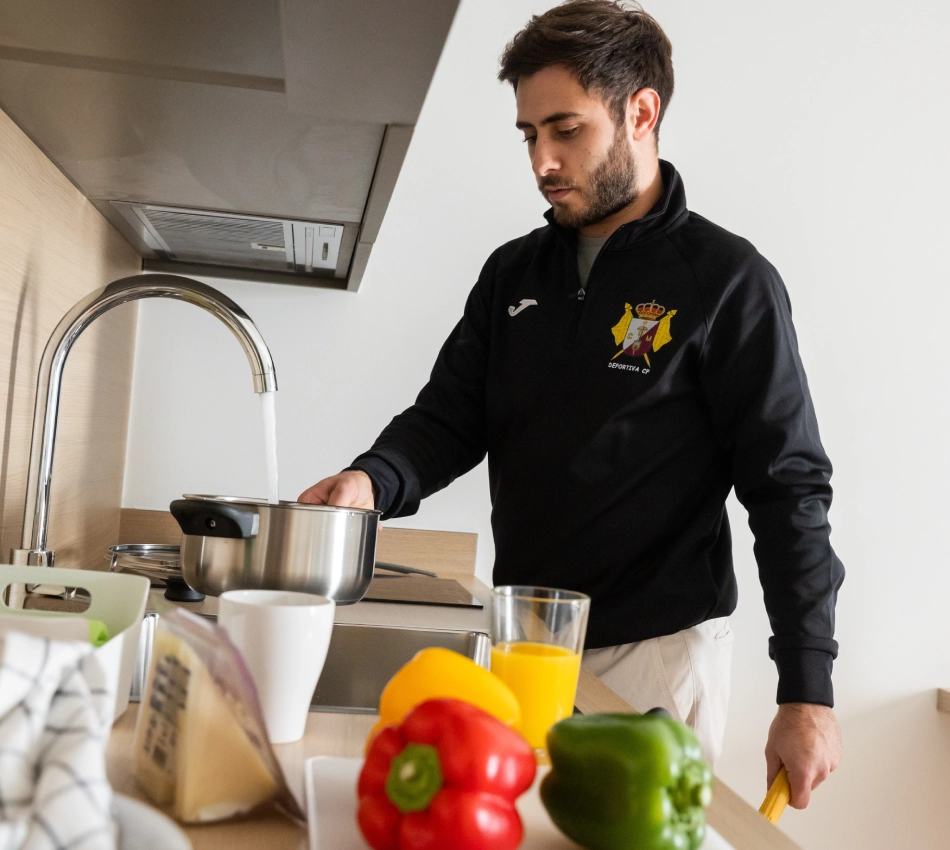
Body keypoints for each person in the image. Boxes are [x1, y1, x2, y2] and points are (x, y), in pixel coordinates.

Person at [300, 0, 843, 807]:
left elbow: (787, 487)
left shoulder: (729, 281)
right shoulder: (513, 274)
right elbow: (451, 415)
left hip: (656, 656)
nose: (542, 160)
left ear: (640, 113)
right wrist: (373, 481)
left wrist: (808, 692)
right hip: (528, 643)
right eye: (529, 134)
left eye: (566, 129)